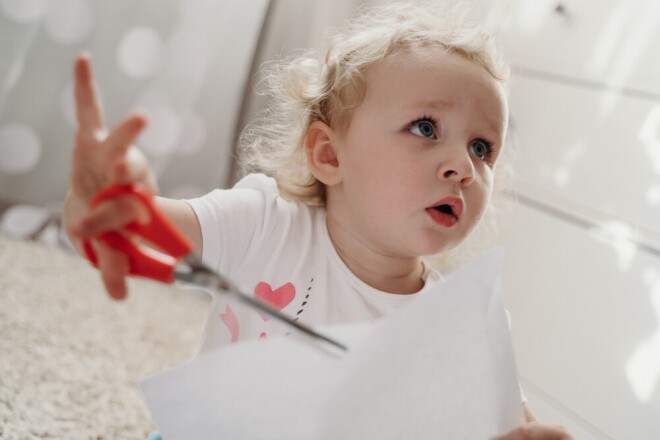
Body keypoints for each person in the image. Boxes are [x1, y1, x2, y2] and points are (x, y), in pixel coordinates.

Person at [63, 2, 573, 438]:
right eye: (425, 126)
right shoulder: (264, 222)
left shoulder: (464, 319)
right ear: (329, 155)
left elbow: (506, 424)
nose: (464, 165)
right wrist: (105, 198)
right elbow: (133, 233)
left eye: (482, 148)